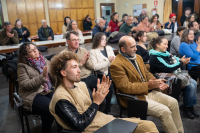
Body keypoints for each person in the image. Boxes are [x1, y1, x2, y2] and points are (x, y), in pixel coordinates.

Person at [49, 51, 159, 133]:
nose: (79, 70)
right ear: (63, 72)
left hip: (105, 121)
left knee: (149, 125)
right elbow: (79, 124)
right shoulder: (60, 97)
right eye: (74, 67)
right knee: (147, 128)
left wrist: (101, 97)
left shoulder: (81, 85)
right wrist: (96, 102)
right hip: (96, 129)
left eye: (78, 66)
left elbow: (97, 110)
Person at [110, 36, 184, 133]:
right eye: (132, 47)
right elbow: (125, 87)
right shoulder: (116, 64)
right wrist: (148, 86)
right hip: (133, 98)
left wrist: (156, 83)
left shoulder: (138, 58)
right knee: (164, 111)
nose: (136, 49)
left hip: (147, 92)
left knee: (173, 102)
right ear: (123, 49)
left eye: (135, 46)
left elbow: (147, 74)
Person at [149, 36, 198, 119]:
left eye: (167, 44)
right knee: (190, 86)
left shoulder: (165, 53)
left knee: (194, 82)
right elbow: (168, 68)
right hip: (164, 79)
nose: (167, 46)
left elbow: (174, 58)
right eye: (164, 44)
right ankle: (186, 107)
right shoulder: (155, 57)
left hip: (172, 75)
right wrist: (181, 63)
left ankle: (189, 106)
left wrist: (181, 60)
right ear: (157, 45)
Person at [17, 42, 55, 133]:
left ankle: (63, 128)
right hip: (32, 94)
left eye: (35, 48)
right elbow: (25, 85)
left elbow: (53, 78)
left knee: (62, 101)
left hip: (47, 89)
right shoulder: (22, 66)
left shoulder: (44, 60)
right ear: (25, 55)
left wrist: (57, 73)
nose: (35, 51)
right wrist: (42, 77)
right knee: (49, 108)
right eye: (31, 50)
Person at [90, 32, 115, 114]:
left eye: (105, 39)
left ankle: (108, 108)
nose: (105, 41)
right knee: (108, 89)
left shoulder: (109, 48)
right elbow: (95, 67)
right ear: (97, 40)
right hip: (102, 75)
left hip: (112, 71)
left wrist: (111, 61)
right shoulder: (93, 51)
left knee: (112, 89)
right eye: (102, 39)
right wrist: (108, 61)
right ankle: (105, 110)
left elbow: (114, 61)